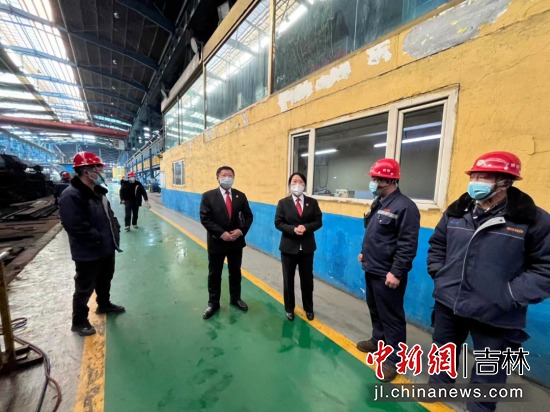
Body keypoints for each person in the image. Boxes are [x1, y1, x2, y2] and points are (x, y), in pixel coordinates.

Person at [427, 151, 550, 412]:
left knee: (490, 368)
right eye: (474, 176)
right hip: (449, 302)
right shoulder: (457, 211)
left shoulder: (533, 220)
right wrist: (439, 273)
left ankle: (479, 407)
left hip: (496, 311)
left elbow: (545, 269)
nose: (475, 182)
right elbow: (438, 244)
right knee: (443, 350)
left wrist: (509, 294)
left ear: (505, 182)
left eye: (484, 177)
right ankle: (439, 385)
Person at [357, 158, 420, 382]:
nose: (373, 182)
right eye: (373, 178)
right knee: (375, 309)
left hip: (388, 273)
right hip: (372, 267)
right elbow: (376, 234)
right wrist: (365, 253)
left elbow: (407, 244)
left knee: (392, 317)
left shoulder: (405, 207)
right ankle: (378, 341)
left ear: (390, 180)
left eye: (377, 179)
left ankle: (395, 359)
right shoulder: (379, 202)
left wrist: (397, 272)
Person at [58, 152, 125, 336]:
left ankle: (104, 304)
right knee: (84, 287)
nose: (101, 171)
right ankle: (79, 322)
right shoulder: (71, 195)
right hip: (88, 251)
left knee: (105, 279)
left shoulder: (98, 191)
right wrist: (96, 238)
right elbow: (74, 225)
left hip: (106, 247)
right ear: (87, 171)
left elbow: (109, 215)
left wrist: (115, 229)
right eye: (98, 168)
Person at [199, 166, 254, 319]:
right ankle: (213, 303)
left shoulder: (240, 196)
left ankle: (235, 299)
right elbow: (205, 218)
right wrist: (221, 233)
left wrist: (241, 231)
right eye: (224, 175)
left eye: (230, 175)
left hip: (236, 243)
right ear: (217, 177)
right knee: (214, 273)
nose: (227, 178)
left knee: (235, 272)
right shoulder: (208, 196)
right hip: (217, 242)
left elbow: (249, 216)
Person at [275, 172, 323, 321]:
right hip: (288, 247)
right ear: (290, 185)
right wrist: (293, 229)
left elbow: (318, 222)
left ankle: (308, 308)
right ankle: (289, 308)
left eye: (300, 182)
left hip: (307, 248)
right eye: (294, 181)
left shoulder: (312, 202)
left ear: (305, 185)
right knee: (288, 279)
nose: (297, 184)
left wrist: (306, 227)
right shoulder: (283, 203)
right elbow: (278, 223)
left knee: (307, 280)